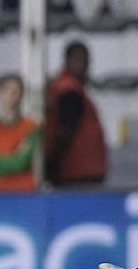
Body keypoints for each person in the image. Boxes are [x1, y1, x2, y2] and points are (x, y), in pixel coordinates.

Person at [44, 40, 107, 186]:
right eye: (77, 59)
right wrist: (51, 166)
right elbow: (66, 129)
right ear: (67, 60)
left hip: (83, 168)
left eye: (85, 60)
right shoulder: (69, 89)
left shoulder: (68, 86)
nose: (83, 65)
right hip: (77, 170)